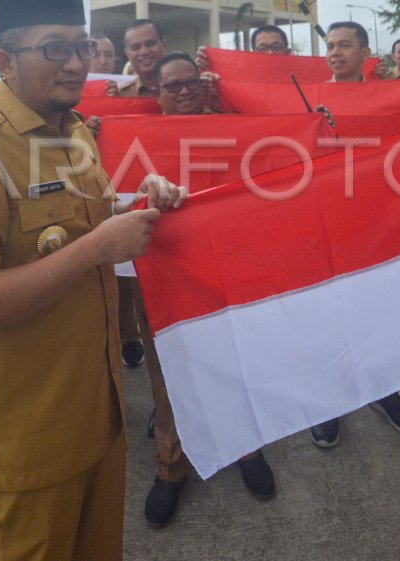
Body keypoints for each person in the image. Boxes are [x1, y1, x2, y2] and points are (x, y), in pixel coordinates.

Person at [0, 0, 185, 560]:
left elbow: (75, 225)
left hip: (99, 415)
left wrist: (136, 204)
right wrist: (97, 249)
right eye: (54, 49)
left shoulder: (71, 134)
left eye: (83, 47)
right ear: (5, 62)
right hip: (27, 442)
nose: (74, 63)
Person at [130, 51, 276, 527]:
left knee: (238, 361)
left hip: (229, 267)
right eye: (172, 86)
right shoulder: (132, 138)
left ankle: (247, 449)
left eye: (191, 82)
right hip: (166, 270)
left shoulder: (239, 128)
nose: (185, 91)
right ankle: (171, 468)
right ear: (157, 94)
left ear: (205, 84)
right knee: (169, 372)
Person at [309, 23, 400, 446]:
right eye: (330, 46)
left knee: (377, 306)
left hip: (375, 215)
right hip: (322, 214)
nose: (335, 52)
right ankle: (332, 401)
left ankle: (383, 388)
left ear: (366, 53)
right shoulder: (310, 98)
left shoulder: (389, 96)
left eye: (344, 45)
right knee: (328, 308)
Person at [110, 18, 166, 96]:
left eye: (150, 44)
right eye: (136, 47)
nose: (144, 52)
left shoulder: (185, 89)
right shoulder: (123, 96)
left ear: (163, 45)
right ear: (127, 54)